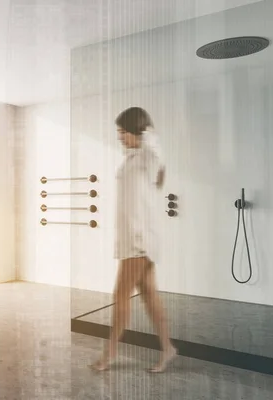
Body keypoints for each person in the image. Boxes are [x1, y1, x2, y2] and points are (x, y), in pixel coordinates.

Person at [91, 107, 177, 373]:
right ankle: (168, 349)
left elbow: (157, 155)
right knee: (150, 297)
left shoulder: (148, 157)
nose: (119, 137)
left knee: (120, 296)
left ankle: (110, 354)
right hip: (131, 240)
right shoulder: (132, 158)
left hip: (140, 241)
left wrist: (146, 131)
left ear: (136, 131)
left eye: (122, 132)